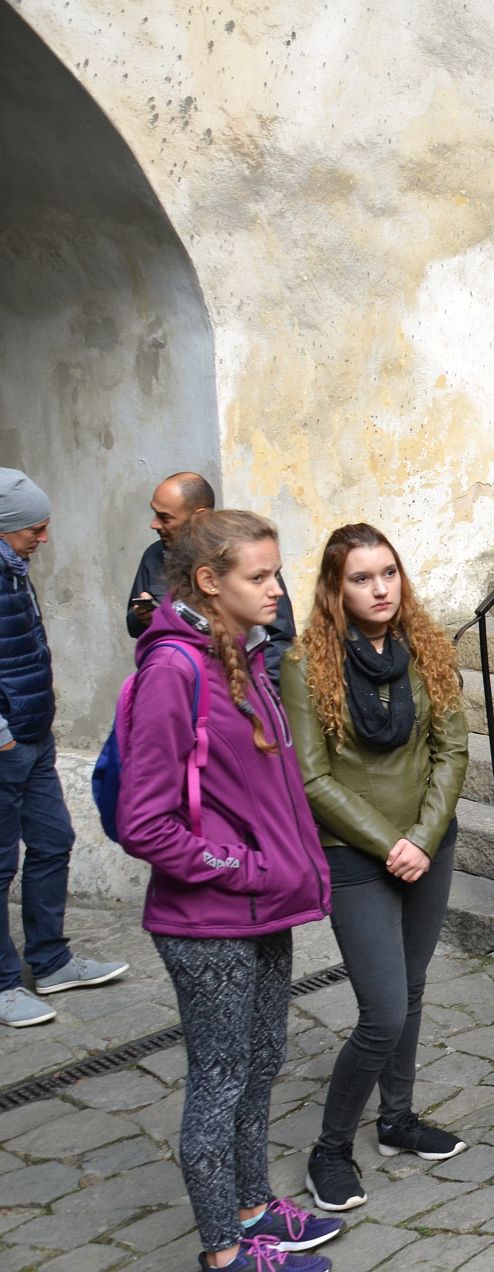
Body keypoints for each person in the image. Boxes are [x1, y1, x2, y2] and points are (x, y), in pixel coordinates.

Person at [116, 510, 341, 1271]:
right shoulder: (173, 671)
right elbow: (144, 822)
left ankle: (253, 1207)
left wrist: (277, 870)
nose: (277, 589)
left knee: (262, 1057)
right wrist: (245, 868)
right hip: (208, 919)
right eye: (259, 576)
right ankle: (225, 1253)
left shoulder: (239, 653)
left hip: (262, 908)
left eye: (277, 572)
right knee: (218, 1079)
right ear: (209, 582)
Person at [282, 525, 471, 1212]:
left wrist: (423, 836)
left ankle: (397, 1120)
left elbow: (452, 751)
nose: (380, 588)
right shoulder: (306, 665)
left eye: (388, 572)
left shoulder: (426, 645)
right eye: (361, 578)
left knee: (412, 990)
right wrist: (392, 843)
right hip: (354, 857)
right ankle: (329, 1150)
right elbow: (311, 778)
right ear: (336, 589)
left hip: (430, 844)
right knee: (383, 1012)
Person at [0, 469, 128, 1030]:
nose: (43, 537)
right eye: (35, 528)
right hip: (6, 744)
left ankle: (50, 962)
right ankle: (3, 986)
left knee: (54, 841)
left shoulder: (12, 570)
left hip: (34, 737)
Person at [128, 473, 297, 684]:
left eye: (165, 517)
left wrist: (263, 687)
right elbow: (133, 625)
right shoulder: (153, 557)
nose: (154, 524)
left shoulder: (239, 557)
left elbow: (280, 637)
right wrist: (143, 617)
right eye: (257, 578)